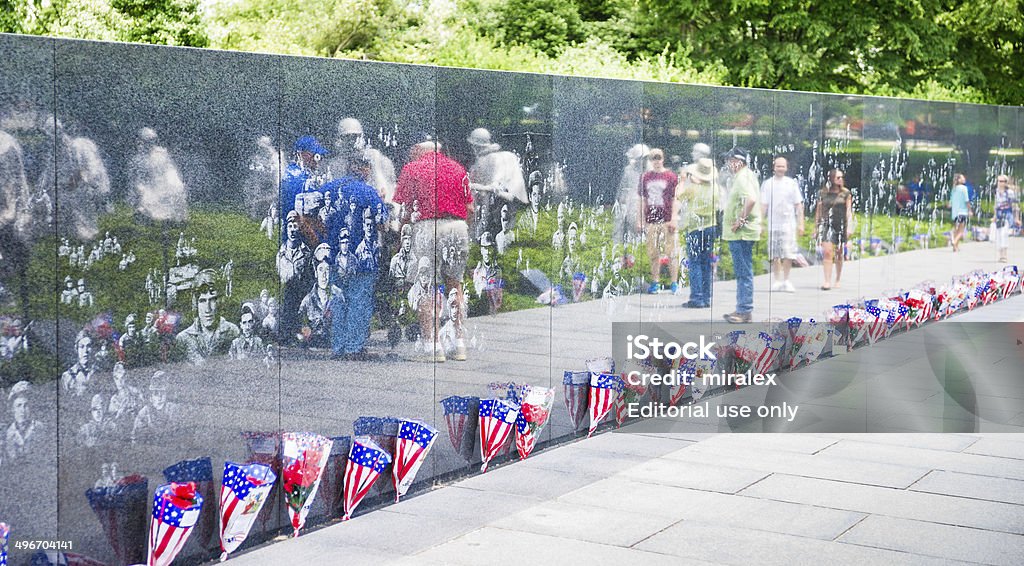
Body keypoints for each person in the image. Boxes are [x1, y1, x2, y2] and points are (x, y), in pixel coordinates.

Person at [394, 140, 473, 362]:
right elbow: (470, 208)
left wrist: (400, 239)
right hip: (457, 227)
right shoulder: (458, 169)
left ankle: (432, 347)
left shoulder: (413, 168)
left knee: (425, 286)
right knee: (455, 285)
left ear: (419, 150)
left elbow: (406, 210)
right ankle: (459, 345)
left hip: (428, 227)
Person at [721, 147, 761, 323]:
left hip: (741, 234)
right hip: (742, 233)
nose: (727, 164)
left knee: (743, 272)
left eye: (730, 160)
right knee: (743, 272)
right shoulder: (745, 175)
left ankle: (744, 311)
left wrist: (740, 220)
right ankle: (743, 309)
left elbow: (751, 199)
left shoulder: (743, 177)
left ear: (738, 161)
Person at [466, 128, 527, 239]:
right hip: (512, 204)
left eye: (473, 145)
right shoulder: (506, 156)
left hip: (497, 204)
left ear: (476, 146)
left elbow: (493, 188)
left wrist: (471, 186)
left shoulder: (487, 160)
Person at [174, 269, 240, 364]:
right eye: (202, 301)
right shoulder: (183, 338)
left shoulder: (232, 332)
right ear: (196, 305)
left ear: (220, 303)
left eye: (212, 300)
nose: (207, 309)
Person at [760, 157, 804, 292]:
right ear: (774, 167)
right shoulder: (768, 184)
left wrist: (801, 223)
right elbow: (763, 205)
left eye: (782, 166)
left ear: (786, 168)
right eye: (778, 166)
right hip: (773, 223)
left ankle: (786, 280)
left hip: (788, 224)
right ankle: (777, 280)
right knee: (774, 254)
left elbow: (798, 204)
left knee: (788, 253)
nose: (780, 168)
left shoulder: (791, 184)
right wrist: (760, 223)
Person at [679, 157, 717, 308]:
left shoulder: (692, 188)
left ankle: (696, 298)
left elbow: (678, 196)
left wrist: (683, 180)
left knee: (694, 263)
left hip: (695, 228)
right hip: (711, 227)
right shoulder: (715, 188)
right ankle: (707, 298)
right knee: (706, 262)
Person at [639, 148, 679, 293]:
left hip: (667, 219)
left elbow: (676, 199)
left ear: (663, 158)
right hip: (651, 219)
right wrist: (641, 220)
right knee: (653, 252)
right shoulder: (645, 177)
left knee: (672, 252)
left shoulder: (671, 176)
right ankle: (655, 281)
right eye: (653, 158)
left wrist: (674, 218)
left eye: (659, 157)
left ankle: (674, 282)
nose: (656, 161)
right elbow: (643, 200)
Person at [814, 169, 853, 289]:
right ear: (831, 179)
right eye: (838, 177)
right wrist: (816, 227)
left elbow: (848, 211)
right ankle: (827, 281)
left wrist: (849, 226)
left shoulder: (846, 193)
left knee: (839, 253)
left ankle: (837, 278)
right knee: (827, 252)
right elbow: (819, 211)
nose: (840, 179)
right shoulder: (823, 193)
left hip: (841, 225)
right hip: (827, 225)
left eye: (841, 177)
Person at [277, 210, 312, 342]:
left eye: (295, 226)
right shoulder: (280, 253)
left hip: (300, 295)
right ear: (286, 229)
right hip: (285, 297)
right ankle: (286, 334)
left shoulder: (306, 253)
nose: (292, 230)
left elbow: (309, 278)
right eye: (290, 226)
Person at [299, 245, 343, 350]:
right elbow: (299, 322)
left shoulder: (338, 297)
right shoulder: (308, 300)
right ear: (316, 272)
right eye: (321, 270)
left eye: (327, 270)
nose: (324, 275)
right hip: (313, 347)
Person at [5, 381, 45, 462]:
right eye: (19, 406)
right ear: (13, 409)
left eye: (26, 406)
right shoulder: (7, 432)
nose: (22, 410)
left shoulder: (40, 428)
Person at [992, 175, 1020, 262]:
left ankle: (1004, 255)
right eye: (999, 181)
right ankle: (1000, 255)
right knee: (999, 235)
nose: (1000, 183)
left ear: (1005, 182)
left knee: (1004, 234)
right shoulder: (996, 192)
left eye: (1002, 181)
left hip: (1007, 214)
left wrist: (1016, 218)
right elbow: (995, 205)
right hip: (999, 214)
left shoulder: (1010, 192)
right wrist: (994, 216)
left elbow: (1015, 205)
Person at [949, 173, 971, 252]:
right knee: (961, 231)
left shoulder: (954, 189)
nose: (964, 179)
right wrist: (970, 210)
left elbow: (950, 203)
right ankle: (954, 242)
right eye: (962, 178)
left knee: (956, 229)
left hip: (955, 213)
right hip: (962, 212)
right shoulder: (964, 188)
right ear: (959, 180)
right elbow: (967, 200)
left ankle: (955, 247)